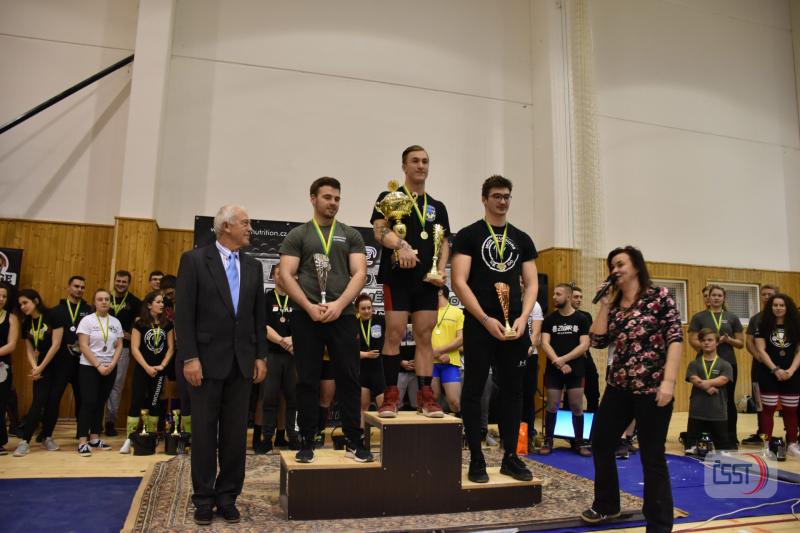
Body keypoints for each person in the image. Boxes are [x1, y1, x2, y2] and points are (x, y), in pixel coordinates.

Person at [176, 205, 267, 525]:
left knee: (235, 436)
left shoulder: (254, 266)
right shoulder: (194, 260)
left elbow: (258, 316)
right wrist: (190, 357)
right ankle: (203, 498)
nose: (250, 228)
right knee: (203, 434)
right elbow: (184, 314)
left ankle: (228, 496)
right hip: (204, 363)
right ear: (226, 226)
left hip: (242, 364)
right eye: (245, 223)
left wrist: (260, 356)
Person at [580, 246, 682, 532]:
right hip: (619, 387)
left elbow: (675, 338)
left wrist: (668, 382)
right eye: (612, 266)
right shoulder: (614, 305)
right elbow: (598, 341)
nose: (615, 270)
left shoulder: (659, 297)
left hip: (652, 388)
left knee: (652, 455)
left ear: (636, 266)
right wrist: (604, 305)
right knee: (601, 442)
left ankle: (659, 524)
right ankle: (607, 505)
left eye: (620, 264)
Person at [452, 175, 538, 483]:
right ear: (484, 199)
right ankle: (476, 458)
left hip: (514, 325)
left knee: (514, 391)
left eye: (506, 196)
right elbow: (458, 282)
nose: (502, 201)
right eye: (497, 196)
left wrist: (524, 317)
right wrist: (485, 319)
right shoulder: (469, 235)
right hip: (480, 323)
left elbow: (532, 284)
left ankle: (510, 457)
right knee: (474, 390)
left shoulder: (522, 238)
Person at [279, 177, 371, 464]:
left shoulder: (351, 234)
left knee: (349, 378)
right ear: (313, 198)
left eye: (337, 198)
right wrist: (308, 306)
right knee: (307, 379)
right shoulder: (298, 235)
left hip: (343, 316)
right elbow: (286, 274)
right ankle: (307, 441)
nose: (333, 203)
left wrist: (339, 305)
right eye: (327, 197)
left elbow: (360, 273)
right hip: (306, 316)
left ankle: (354, 440)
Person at [371, 145, 450, 418]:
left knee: (424, 336)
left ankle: (426, 396)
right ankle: (390, 395)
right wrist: (401, 245)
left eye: (425, 161)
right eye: (415, 161)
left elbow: (444, 242)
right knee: (393, 333)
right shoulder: (388, 198)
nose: (421, 165)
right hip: (397, 278)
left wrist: (440, 270)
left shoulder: (438, 207)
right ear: (404, 166)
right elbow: (379, 231)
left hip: (427, 281)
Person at [688, 285, 744, 447]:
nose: (716, 298)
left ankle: (730, 437)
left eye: (720, 295)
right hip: (703, 363)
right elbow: (692, 340)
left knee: (728, 400)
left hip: (728, 363)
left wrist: (729, 340)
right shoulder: (699, 317)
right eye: (713, 295)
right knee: (701, 399)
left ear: (724, 298)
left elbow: (741, 343)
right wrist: (708, 347)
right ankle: (701, 437)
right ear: (708, 297)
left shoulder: (732, 317)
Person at [540, 283, 591, 457]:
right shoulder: (550, 319)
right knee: (552, 404)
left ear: (568, 297)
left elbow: (584, 345)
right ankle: (548, 441)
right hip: (555, 369)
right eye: (554, 294)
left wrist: (565, 359)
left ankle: (579, 442)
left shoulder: (581, 319)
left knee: (576, 405)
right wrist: (559, 363)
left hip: (575, 369)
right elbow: (544, 343)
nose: (554, 297)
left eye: (558, 294)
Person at [120, 291, 175, 454]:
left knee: (155, 403)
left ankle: (151, 437)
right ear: (149, 305)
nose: (162, 304)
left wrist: (162, 365)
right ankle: (129, 438)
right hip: (142, 369)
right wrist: (147, 367)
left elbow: (171, 348)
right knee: (136, 401)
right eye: (158, 302)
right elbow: (135, 348)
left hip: (159, 371)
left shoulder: (167, 324)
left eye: (162, 302)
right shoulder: (140, 323)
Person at [12, 289, 64, 457]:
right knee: (38, 401)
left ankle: (47, 437)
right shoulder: (26, 322)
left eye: (25, 302)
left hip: (59, 364)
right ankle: (25, 441)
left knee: (53, 402)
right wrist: (35, 367)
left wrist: (41, 367)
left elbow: (56, 345)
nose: (23, 307)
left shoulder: (53, 315)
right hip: (41, 366)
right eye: (20, 304)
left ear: (35, 301)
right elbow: (29, 348)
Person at [75, 289, 124, 456]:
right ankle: (83, 441)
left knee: (100, 402)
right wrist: (98, 365)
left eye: (107, 299)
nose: (104, 302)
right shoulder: (87, 321)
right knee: (88, 402)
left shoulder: (115, 322)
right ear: (94, 302)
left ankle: (95, 438)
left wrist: (112, 364)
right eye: (100, 299)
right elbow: (83, 346)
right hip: (90, 367)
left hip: (109, 367)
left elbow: (119, 345)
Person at [258, 263, 299, 454]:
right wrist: (283, 341)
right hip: (273, 354)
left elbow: (304, 325)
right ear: (273, 277)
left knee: (293, 399)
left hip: (293, 356)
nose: (281, 277)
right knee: (269, 398)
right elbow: (263, 327)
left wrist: (294, 340)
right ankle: (267, 439)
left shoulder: (297, 298)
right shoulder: (266, 299)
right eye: (277, 274)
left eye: (284, 274)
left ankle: (293, 437)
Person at [754, 293, 800, 458]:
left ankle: (792, 444)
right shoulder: (762, 325)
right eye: (775, 305)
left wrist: (791, 370)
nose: (778, 308)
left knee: (791, 411)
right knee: (768, 410)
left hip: (791, 374)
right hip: (768, 373)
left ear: (787, 308)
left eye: (782, 305)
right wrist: (775, 369)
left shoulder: (796, 326)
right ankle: (766, 445)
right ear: (770, 307)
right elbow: (761, 350)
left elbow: (799, 351)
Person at [51, 275, 92, 436]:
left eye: (82, 287)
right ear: (68, 287)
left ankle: (82, 433)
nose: (79, 289)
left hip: (82, 362)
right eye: (76, 286)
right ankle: (47, 433)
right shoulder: (57, 310)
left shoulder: (89, 311)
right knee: (54, 397)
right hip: (61, 362)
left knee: (82, 398)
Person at [684, 328, 733, 453]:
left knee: (722, 451)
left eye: (710, 340)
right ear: (700, 343)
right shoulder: (694, 364)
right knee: (691, 449)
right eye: (703, 340)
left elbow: (723, 379)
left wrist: (705, 383)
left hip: (718, 413)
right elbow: (693, 378)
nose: (706, 343)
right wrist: (708, 387)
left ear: (717, 342)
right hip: (697, 412)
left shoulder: (725, 364)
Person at [105, 270, 141, 437]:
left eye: (124, 282)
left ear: (128, 283)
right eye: (118, 281)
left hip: (124, 349)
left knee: (116, 386)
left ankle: (110, 422)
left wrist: (130, 335)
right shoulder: (105, 298)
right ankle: (93, 423)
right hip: (100, 348)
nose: (120, 284)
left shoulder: (135, 302)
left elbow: (140, 327)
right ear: (114, 281)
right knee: (97, 384)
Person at [742, 284, 779, 445]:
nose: (766, 297)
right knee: (759, 400)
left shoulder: (786, 317)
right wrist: (758, 356)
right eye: (763, 294)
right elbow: (749, 342)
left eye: (770, 294)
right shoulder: (756, 318)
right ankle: (762, 433)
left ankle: (792, 434)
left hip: (782, 365)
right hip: (760, 367)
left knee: (789, 401)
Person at [430, 286, 464, 416]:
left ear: (440, 291)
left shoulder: (457, 312)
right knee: (432, 400)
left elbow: (461, 339)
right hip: (429, 363)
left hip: (450, 362)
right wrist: (431, 353)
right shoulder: (427, 312)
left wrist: (440, 351)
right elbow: (420, 336)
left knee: (454, 402)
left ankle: (460, 426)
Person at [355, 294, 386, 423]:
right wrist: (365, 354)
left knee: (384, 408)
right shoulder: (353, 324)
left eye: (369, 308)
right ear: (357, 309)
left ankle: (387, 433)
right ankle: (362, 433)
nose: (367, 311)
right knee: (363, 407)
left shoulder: (380, 320)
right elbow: (347, 350)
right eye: (363, 308)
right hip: (362, 370)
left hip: (378, 369)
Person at [571, 286, 599, 413]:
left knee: (593, 393)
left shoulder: (586, 316)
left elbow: (590, 338)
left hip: (585, 358)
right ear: (568, 298)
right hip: (569, 360)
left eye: (581, 297)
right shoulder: (559, 316)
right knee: (571, 397)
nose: (579, 300)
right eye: (576, 297)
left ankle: (593, 422)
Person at [0, 283, 20, 455]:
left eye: (4, 296)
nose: (1, 299)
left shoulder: (11, 318)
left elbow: (12, 345)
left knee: (0, 404)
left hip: (2, 366)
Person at [522, 298, 543, 449]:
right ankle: (508, 434)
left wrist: (528, 348)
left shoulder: (534, 305)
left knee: (528, 396)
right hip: (509, 355)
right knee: (510, 395)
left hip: (530, 354)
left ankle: (528, 435)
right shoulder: (508, 300)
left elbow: (536, 333)